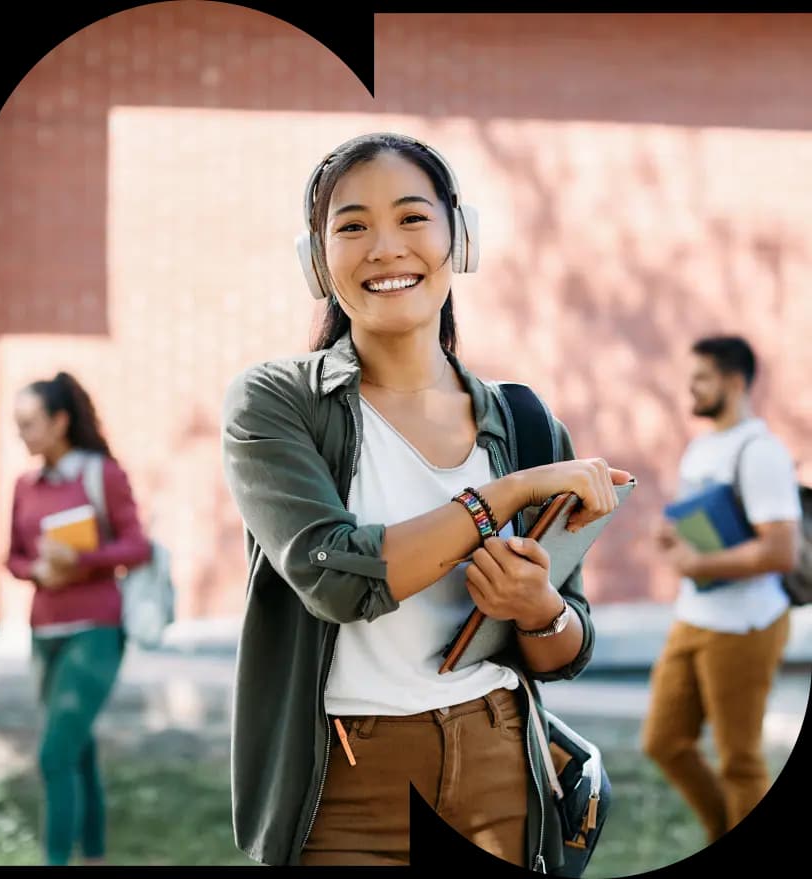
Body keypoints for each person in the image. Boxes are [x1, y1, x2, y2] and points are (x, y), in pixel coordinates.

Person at [221, 131, 632, 869]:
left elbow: (566, 648)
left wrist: (539, 608)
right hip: (345, 785)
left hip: (500, 763)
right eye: (351, 226)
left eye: (413, 217)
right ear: (318, 260)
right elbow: (338, 579)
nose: (385, 247)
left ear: (459, 238)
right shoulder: (278, 404)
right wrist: (504, 494)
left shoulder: (527, 422)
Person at [642, 335, 801, 845]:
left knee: (739, 760)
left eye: (701, 378)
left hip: (747, 625)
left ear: (734, 382)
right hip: (693, 617)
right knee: (664, 741)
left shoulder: (762, 454)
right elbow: (695, 524)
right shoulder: (702, 447)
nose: (690, 388)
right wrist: (671, 537)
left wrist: (699, 561)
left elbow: (782, 552)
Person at [6, 371, 152, 866]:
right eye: (17, 424)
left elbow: (138, 546)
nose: (20, 433)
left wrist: (80, 561)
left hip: (96, 630)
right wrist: (37, 570)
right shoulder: (24, 486)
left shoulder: (100, 475)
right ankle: (95, 858)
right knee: (78, 752)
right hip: (44, 631)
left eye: (28, 423)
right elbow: (13, 557)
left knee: (54, 755)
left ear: (60, 421)